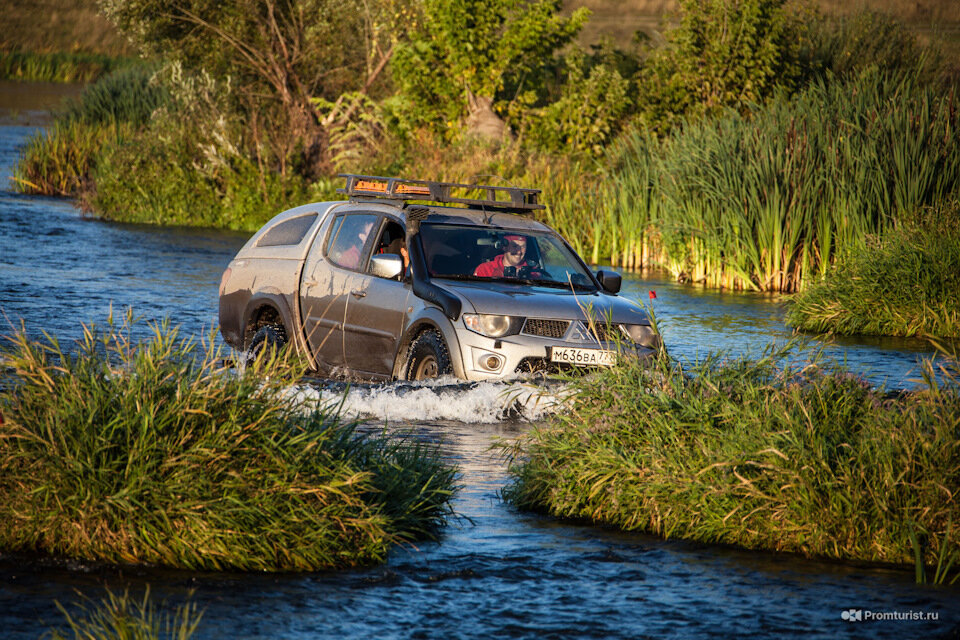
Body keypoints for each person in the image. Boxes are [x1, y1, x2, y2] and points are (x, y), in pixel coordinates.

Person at [473, 234, 541, 278]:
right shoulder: (485, 269)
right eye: (515, 246)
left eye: (523, 247)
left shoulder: (533, 272)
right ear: (504, 247)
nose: (519, 251)